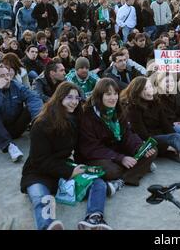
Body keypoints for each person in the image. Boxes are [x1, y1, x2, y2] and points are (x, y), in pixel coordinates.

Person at [20, 82, 112, 230]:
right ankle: (47, 226)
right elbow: (39, 161)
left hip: (62, 170)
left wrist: (84, 169)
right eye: (69, 97)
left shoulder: (74, 119)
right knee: (42, 199)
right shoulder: (41, 123)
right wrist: (69, 171)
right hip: (37, 173)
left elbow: (79, 147)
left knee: (98, 183)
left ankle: (94, 218)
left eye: (77, 98)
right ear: (59, 98)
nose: (74, 102)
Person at [77, 78, 156, 188]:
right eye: (108, 94)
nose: (113, 98)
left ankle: (123, 179)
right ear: (99, 96)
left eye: (115, 94)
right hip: (97, 156)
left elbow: (127, 134)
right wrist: (120, 158)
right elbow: (91, 148)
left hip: (116, 152)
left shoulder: (118, 110)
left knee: (150, 151)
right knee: (112, 170)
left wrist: (139, 148)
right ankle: (137, 170)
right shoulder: (88, 115)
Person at [0, 64, 43, 162]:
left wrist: (38, 119)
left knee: (31, 107)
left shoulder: (16, 85)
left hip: (15, 128)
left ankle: (41, 134)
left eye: (7, 75)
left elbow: (33, 97)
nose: (7, 78)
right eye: (2, 76)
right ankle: (10, 146)